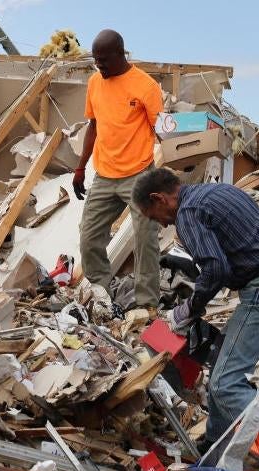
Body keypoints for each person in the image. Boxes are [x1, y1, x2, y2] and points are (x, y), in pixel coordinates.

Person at [134, 168, 259, 468]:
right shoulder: (218, 192)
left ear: (159, 198)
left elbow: (216, 269)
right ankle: (214, 448)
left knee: (226, 383)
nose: (159, 224)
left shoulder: (187, 212)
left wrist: (188, 309)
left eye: (153, 215)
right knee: (223, 367)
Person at [74, 29, 163, 320]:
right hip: (104, 173)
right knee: (88, 237)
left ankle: (146, 303)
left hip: (139, 174)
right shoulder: (95, 82)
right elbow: (93, 126)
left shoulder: (145, 86)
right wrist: (79, 167)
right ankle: (101, 296)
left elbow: (161, 129)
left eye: (103, 61)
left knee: (145, 238)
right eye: (96, 61)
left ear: (120, 54)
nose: (99, 67)